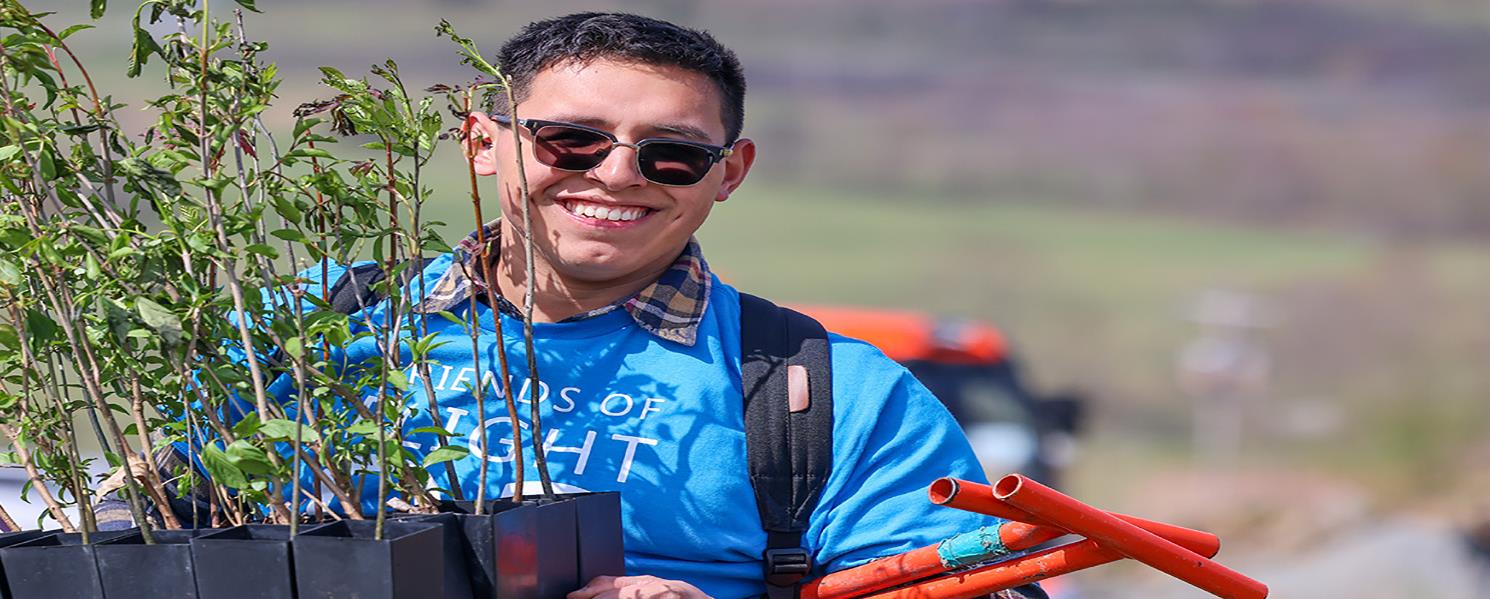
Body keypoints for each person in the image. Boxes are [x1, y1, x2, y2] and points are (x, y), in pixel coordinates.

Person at [109, 12, 1041, 599]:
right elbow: (139, 536)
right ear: (485, 143)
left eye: (671, 153)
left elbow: (988, 590)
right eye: (571, 141)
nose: (618, 176)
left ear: (731, 175)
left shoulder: (824, 392)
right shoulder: (302, 328)